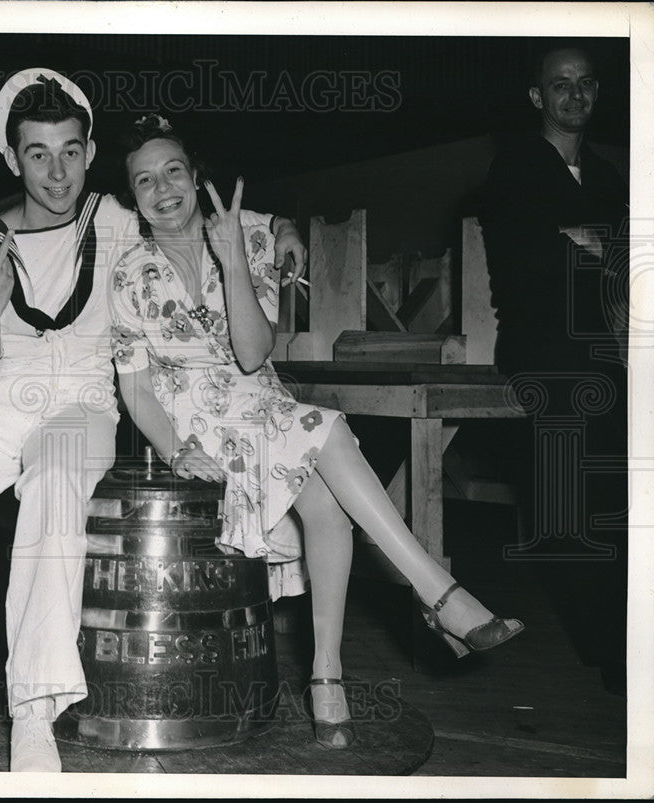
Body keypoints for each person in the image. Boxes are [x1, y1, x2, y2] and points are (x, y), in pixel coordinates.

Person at [0, 70, 307, 773]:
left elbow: (200, 213)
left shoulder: (116, 217)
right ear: (12, 159)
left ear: (91, 149)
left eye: (71, 150)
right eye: (38, 154)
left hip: (80, 404)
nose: (57, 170)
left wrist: (284, 232)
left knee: (53, 480)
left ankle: (35, 711)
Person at [109, 114, 525, 748]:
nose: (164, 190)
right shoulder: (128, 271)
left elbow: (252, 353)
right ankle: (436, 594)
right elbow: (135, 383)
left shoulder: (246, 237)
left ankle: (329, 674)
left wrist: (238, 258)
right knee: (327, 433)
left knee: (326, 499)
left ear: (196, 176)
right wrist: (176, 448)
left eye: (174, 171)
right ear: (132, 197)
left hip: (262, 403)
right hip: (195, 424)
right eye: (145, 181)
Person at [479, 45, 628, 694]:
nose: (574, 96)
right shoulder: (512, 169)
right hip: (546, 349)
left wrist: (586, 241)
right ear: (538, 97)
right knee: (586, 504)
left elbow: (627, 257)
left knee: (624, 497)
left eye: (585, 84)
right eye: (559, 85)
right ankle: (615, 649)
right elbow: (535, 269)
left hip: (609, 345)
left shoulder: (607, 173)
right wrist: (599, 249)